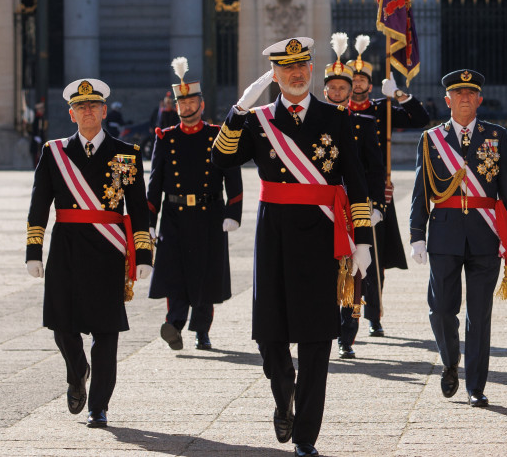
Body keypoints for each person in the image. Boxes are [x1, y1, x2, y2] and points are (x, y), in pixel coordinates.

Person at [211, 36, 375, 457]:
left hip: (323, 237)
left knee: (318, 338)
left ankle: (305, 436)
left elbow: (354, 179)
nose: (297, 74)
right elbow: (221, 159)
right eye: (287, 69)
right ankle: (283, 392)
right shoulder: (259, 119)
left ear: (311, 69)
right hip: (275, 235)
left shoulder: (336, 118)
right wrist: (238, 111)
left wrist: (361, 240)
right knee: (271, 335)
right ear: (276, 75)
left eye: (303, 66)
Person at [25, 78, 154, 428]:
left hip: (108, 249)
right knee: (60, 325)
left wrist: (143, 254)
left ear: (104, 111)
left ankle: (99, 406)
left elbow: (139, 209)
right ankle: (77, 370)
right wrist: (32, 251)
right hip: (66, 246)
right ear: (71, 113)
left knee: (106, 331)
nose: (87, 111)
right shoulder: (54, 152)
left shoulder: (126, 153)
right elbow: (39, 204)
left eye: (93, 106)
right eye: (80, 107)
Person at [409, 69, 507, 408]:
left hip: (484, 232)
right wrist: (417, 235)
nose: (464, 98)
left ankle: (476, 385)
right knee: (442, 309)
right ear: (447, 100)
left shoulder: (495, 135)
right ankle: (450, 362)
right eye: (457, 93)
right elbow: (420, 191)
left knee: (480, 313)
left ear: (479, 99)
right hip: (444, 231)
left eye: (470, 93)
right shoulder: (431, 139)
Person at [146, 57, 244, 351]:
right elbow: (154, 183)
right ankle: (174, 324)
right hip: (175, 215)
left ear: (201, 104)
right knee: (175, 272)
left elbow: (233, 177)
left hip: (208, 213)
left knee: (205, 275)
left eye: (192, 103)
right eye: (182, 104)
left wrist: (233, 212)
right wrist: (149, 220)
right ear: (176, 107)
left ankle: (202, 331)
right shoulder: (166, 138)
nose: (187, 108)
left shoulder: (217, 135)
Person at [346, 34, 431, 337]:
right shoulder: (337, 111)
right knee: (347, 254)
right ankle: (347, 314)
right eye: (352, 80)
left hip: (376, 193)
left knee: (376, 255)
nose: (356, 85)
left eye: (362, 81)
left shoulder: (382, 109)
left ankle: (374, 313)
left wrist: (398, 95)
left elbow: (421, 118)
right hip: (343, 192)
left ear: (370, 85)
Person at [323, 33, 386, 360]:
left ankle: (348, 333)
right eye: (332, 88)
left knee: (355, 267)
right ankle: (325, 325)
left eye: (342, 88)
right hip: (321, 205)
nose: (337, 93)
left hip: (354, 204)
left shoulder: (362, 121)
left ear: (351, 92)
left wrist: (378, 205)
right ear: (324, 91)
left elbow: (374, 168)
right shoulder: (313, 121)